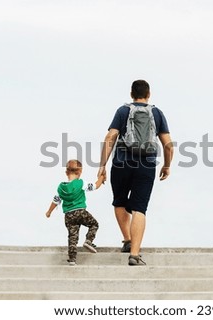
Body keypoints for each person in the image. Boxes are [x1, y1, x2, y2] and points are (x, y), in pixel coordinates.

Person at [98, 79, 173, 266]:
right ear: (149, 94)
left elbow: (110, 136)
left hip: (121, 163)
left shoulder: (123, 111)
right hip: (146, 165)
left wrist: (102, 166)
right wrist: (166, 165)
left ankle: (127, 239)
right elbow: (168, 145)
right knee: (139, 208)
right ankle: (134, 254)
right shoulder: (157, 113)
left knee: (120, 201)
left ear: (131, 94)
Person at [45, 159, 104, 266]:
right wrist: (101, 178)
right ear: (80, 172)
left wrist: (49, 212)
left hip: (68, 215)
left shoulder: (61, 188)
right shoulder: (81, 183)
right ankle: (88, 241)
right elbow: (95, 186)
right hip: (81, 212)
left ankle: (72, 260)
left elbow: (56, 201)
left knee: (72, 237)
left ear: (66, 172)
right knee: (94, 224)